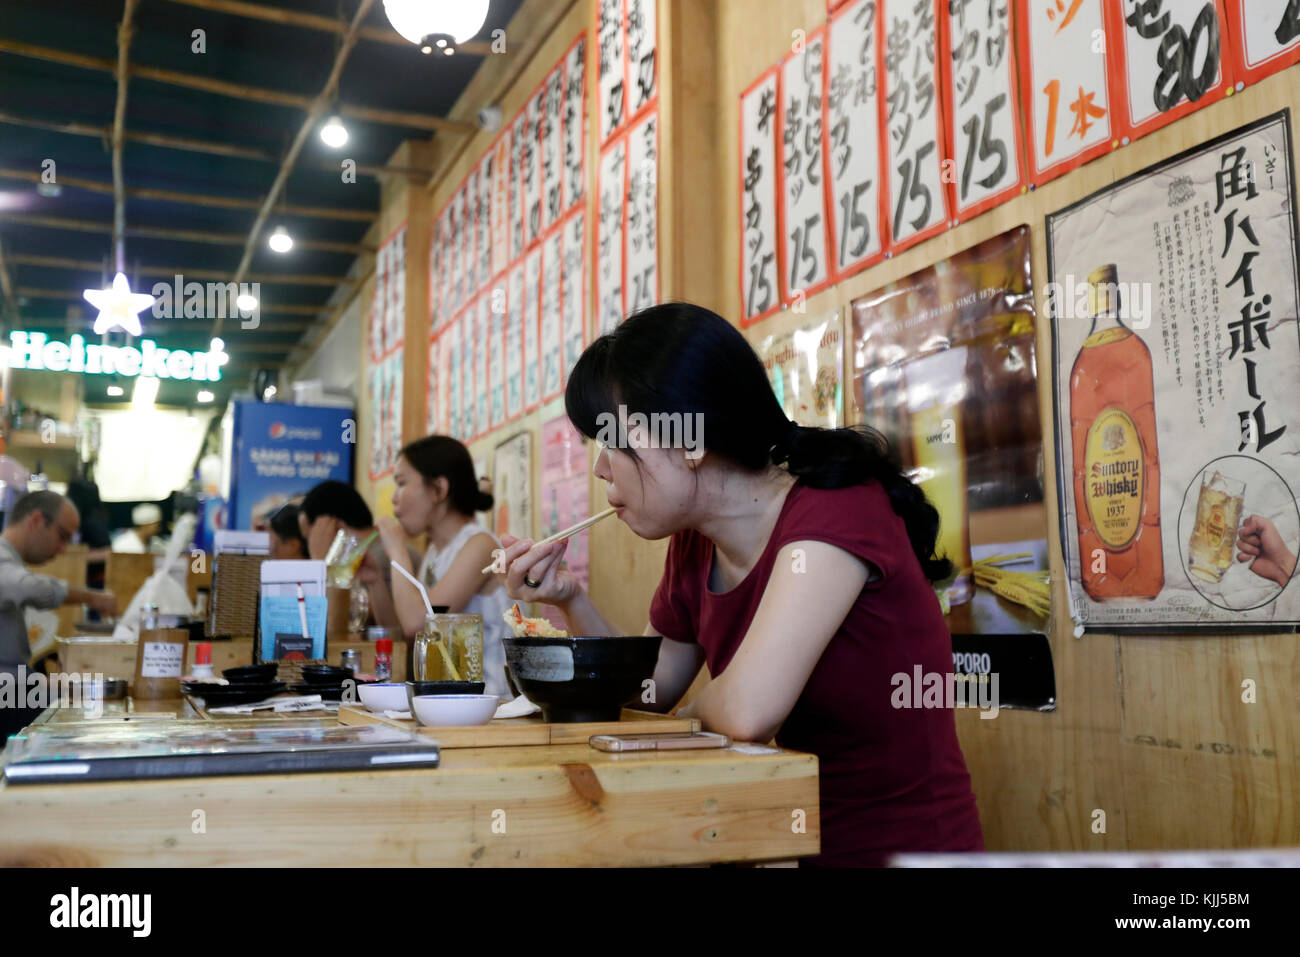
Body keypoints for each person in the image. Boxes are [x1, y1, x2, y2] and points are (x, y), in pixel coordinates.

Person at [496, 303, 985, 867]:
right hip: (781, 842)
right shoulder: (694, 543)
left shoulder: (836, 511)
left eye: (612, 441)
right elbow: (645, 695)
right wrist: (569, 599)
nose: (602, 468)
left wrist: (658, 736)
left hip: (902, 852)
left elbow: (750, 711)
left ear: (690, 441)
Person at [377, 437, 508, 699]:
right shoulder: (436, 552)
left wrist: (397, 551)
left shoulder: (481, 545)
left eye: (402, 484)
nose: (393, 499)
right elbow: (408, 637)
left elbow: (419, 624)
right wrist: (373, 581)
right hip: (455, 704)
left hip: (495, 708)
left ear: (438, 489)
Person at [0, 491, 116, 740]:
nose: (63, 549)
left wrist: (44, 682)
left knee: (85, 695)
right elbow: (27, 587)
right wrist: (91, 596)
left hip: (12, 689)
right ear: (36, 520)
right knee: (87, 713)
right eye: (62, 536)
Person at [298, 480, 403, 629]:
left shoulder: (381, 554)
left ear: (328, 524)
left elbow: (356, 613)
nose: (309, 545)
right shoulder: (364, 553)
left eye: (310, 536)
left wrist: (321, 563)